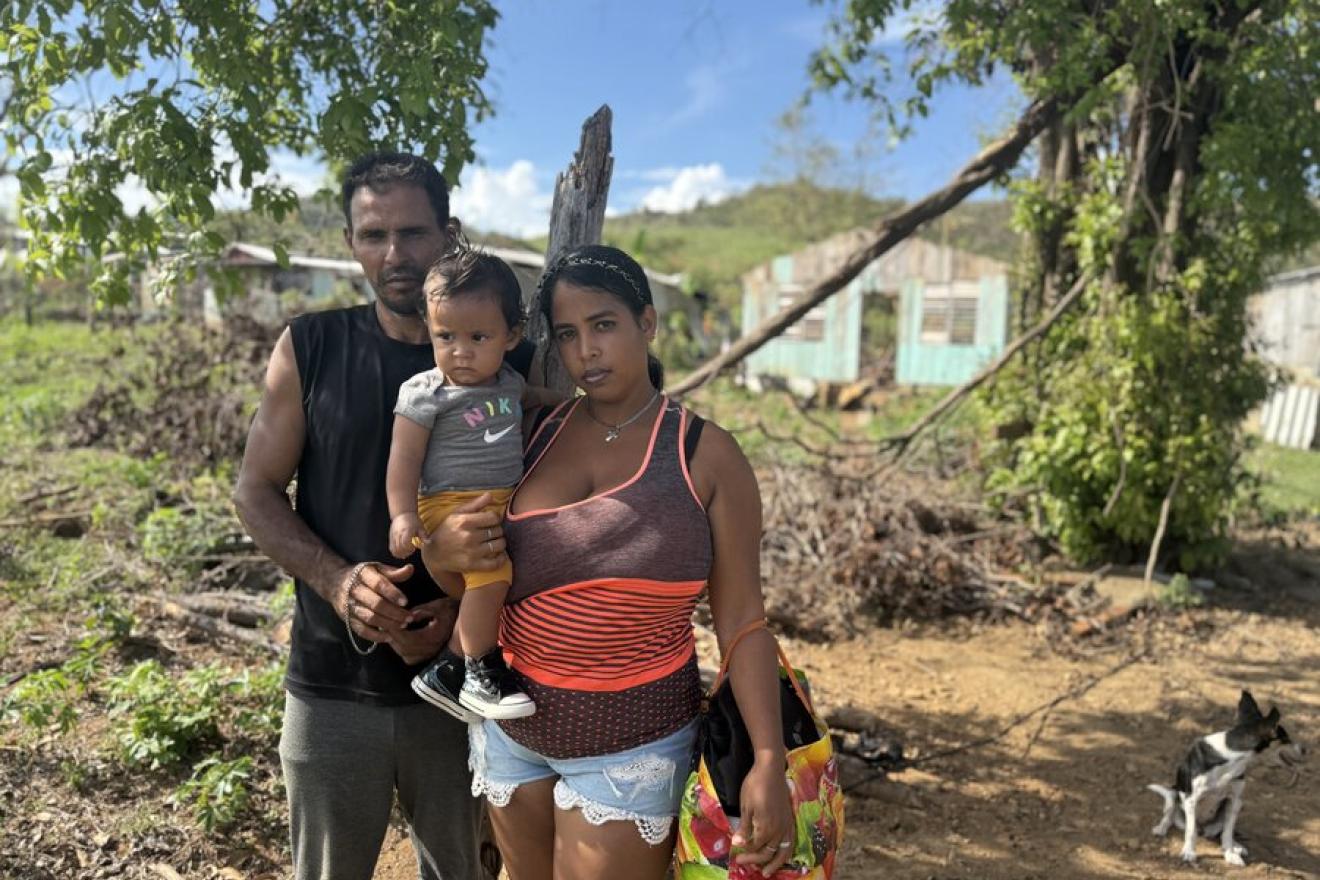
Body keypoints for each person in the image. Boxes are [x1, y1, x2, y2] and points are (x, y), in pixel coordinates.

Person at [456, 245, 796, 879]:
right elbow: (472, 568)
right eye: (567, 334)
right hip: (513, 737)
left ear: (647, 322)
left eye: (603, 324)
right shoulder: (529, 434)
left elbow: (745, 621)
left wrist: (769, 758)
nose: (586, 350)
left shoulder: (705, 456)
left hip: (631, 747)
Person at [233, 152, 523, 880]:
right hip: (333, 683)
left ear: (450, 236)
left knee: (462, 871)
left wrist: (459, 619)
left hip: (462, 687)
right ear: (349, 242)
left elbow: (551, 507)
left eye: (414, 233)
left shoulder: (499, 366)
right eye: (373, 235)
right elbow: (255, 491)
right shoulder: (311, 347)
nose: (394, 255)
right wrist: (337, 581)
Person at [386, 248, 554, 720]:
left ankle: (446, 673)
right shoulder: (426, 393)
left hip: (502, 502)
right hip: (451, 505)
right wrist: (403, 515)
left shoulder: (507, 382)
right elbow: (404, 459)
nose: (460, 351)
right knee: (491, 574)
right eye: (446, 336)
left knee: (502, 582)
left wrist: (569, 403)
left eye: (478, 336)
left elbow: (532, 397)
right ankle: (480, 670)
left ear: (511, 335)